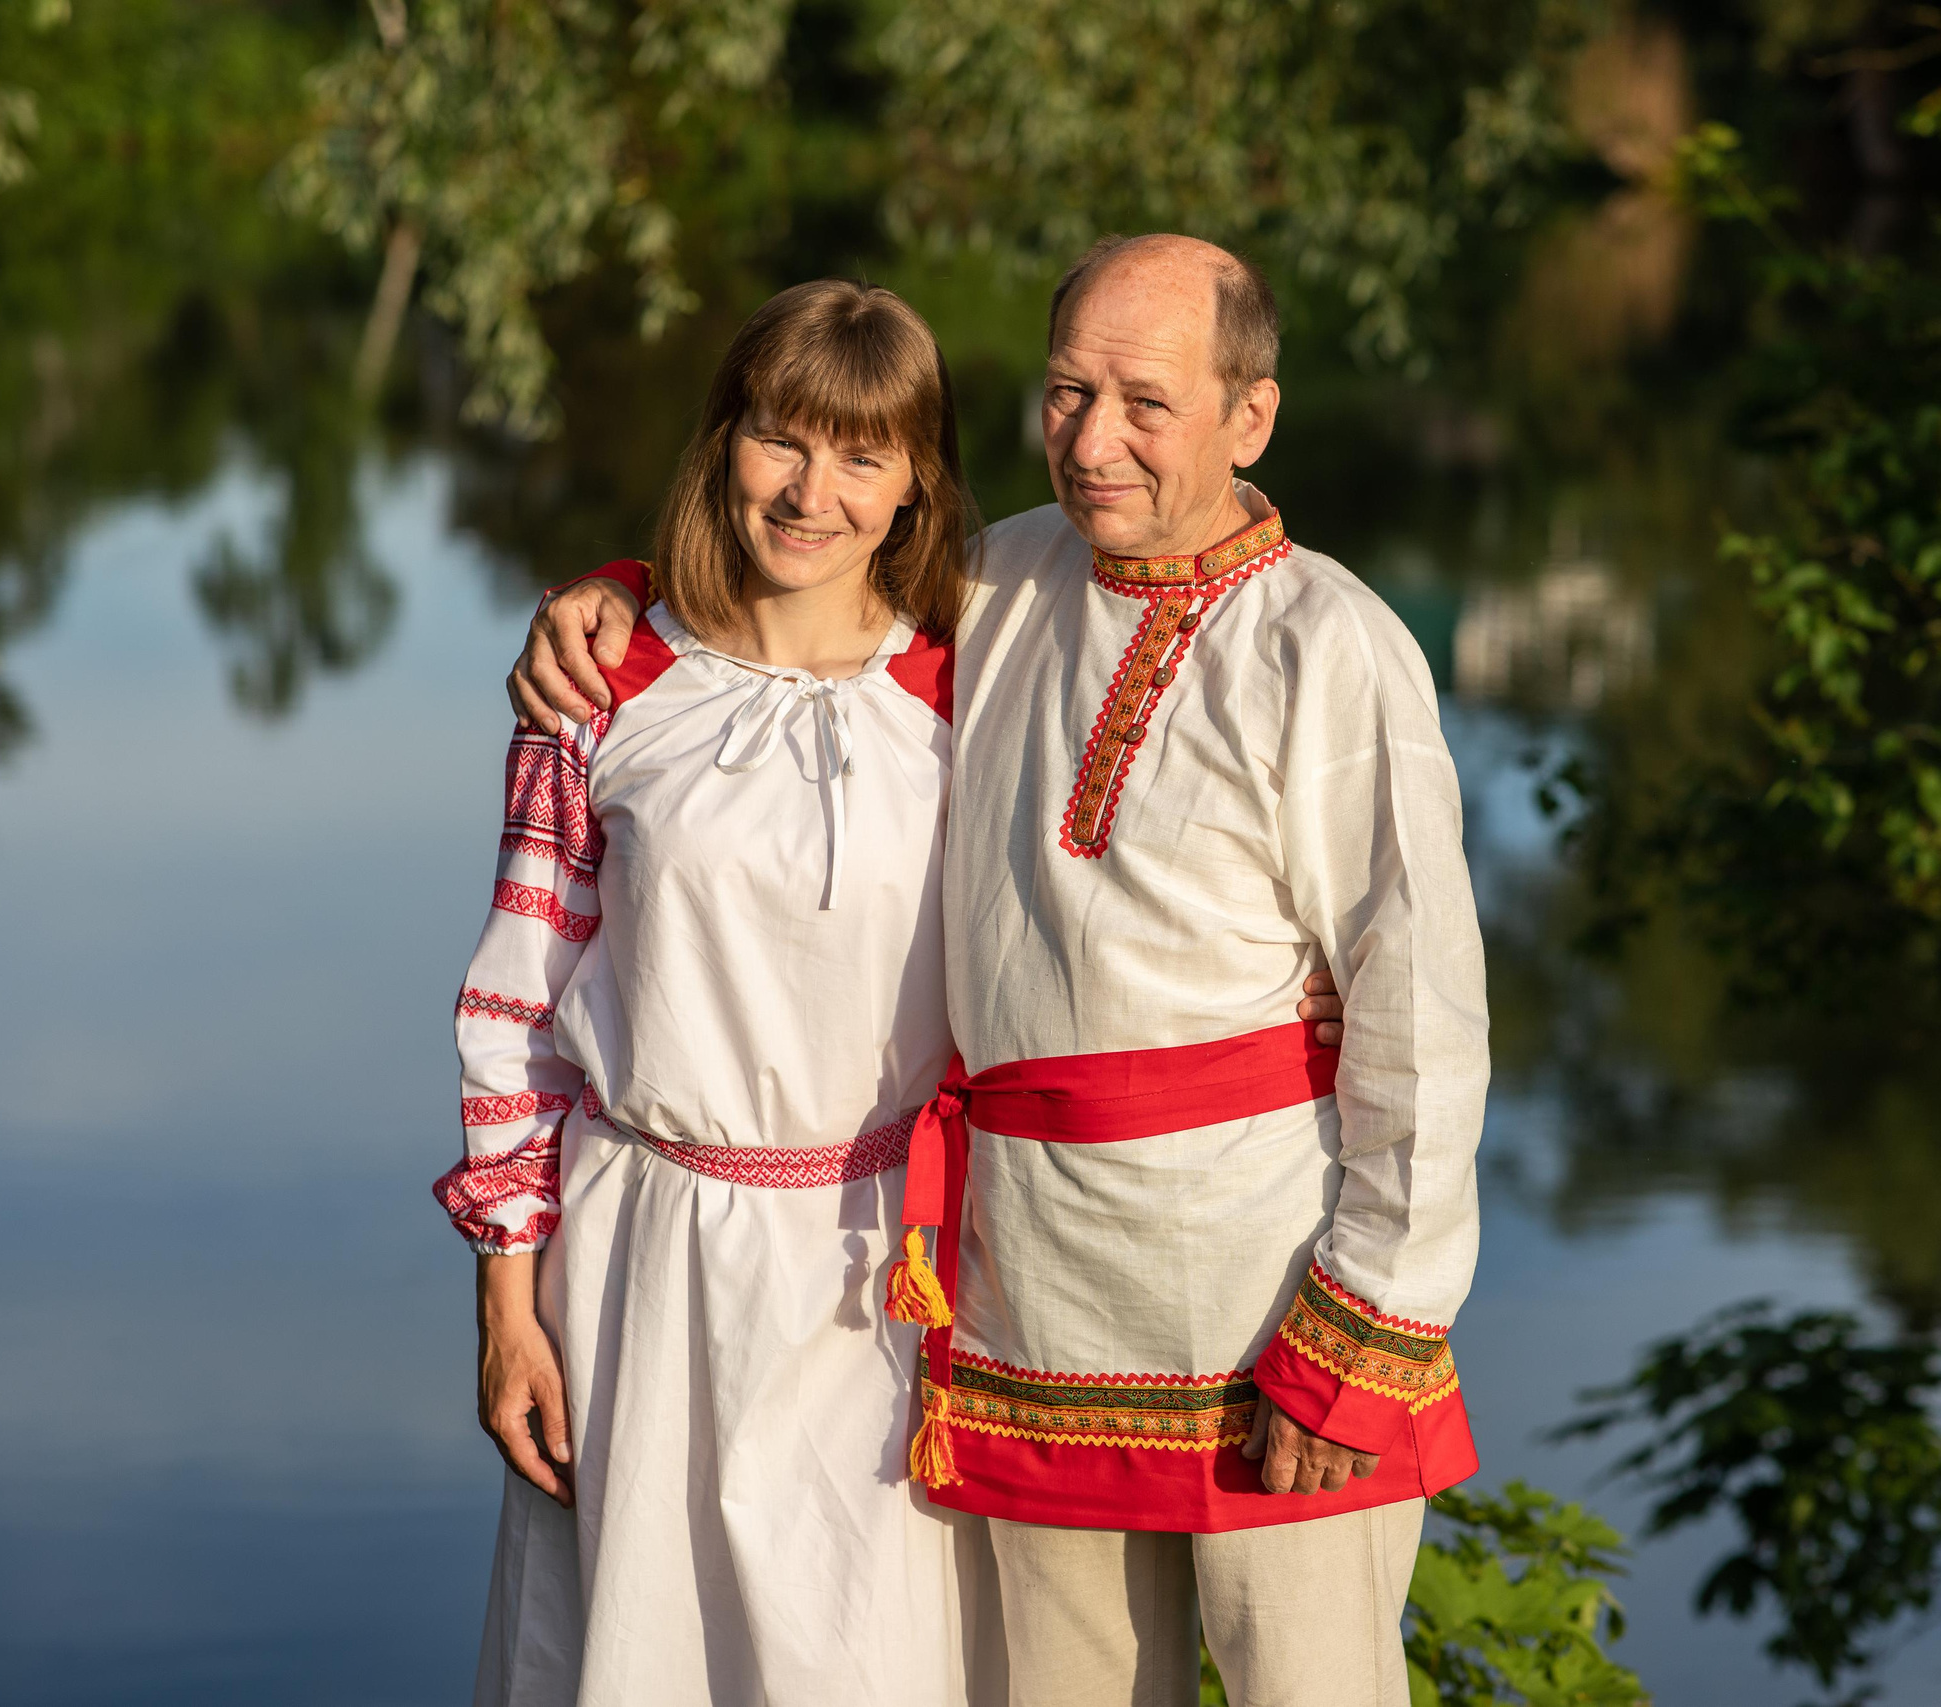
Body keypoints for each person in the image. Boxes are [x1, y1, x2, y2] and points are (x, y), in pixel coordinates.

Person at [515, 236, 1485, 1707]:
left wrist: (1367, 1326)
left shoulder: (1332, 648)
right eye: (1066, 393)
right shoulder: (1006, 580)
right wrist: (615, 592)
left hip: (1267, 1285)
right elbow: (797, 592)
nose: (1095, 443)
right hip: (1032, 1303)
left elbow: (1425, 1017)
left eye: (1146, 403)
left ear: (1252, 417)